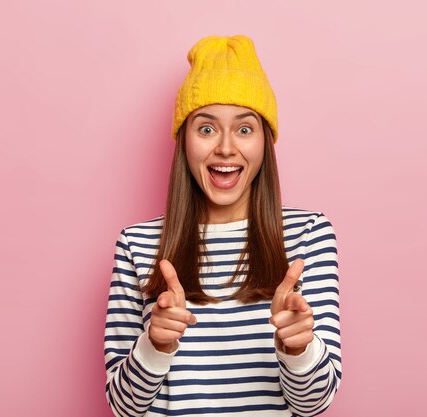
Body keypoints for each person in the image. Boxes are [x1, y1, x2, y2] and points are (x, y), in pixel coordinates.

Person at [104, 34, 341, 417]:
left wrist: (297, 349)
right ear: (184, 141)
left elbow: (314, 405)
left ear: (266, 141)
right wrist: (155, 346)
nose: (226, 148)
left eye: (245, 129)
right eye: (207, 128)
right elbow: (123, 408)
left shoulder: (307, 234)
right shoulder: (138, 244)